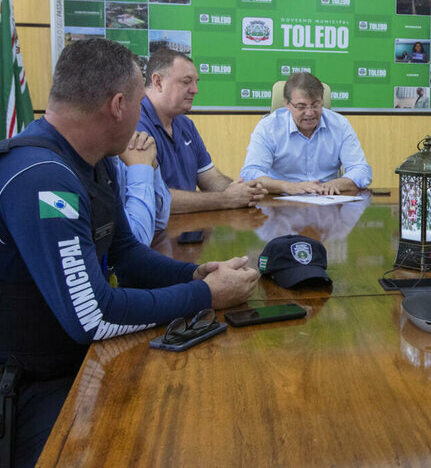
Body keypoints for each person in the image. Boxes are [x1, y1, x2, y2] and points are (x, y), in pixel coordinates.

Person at [0, 39, 260, 466]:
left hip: (79, 362)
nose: (144, 114)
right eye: (142, 100)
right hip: (34, 385)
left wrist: (196, 274)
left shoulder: (92, 161)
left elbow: (128, 255)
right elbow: (92, 317)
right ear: (119, 105)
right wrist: (207, 296)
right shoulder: (44, 180)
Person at [137, 48, 266, 213]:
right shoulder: (136, 125)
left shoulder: (185, 124)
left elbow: (209, 177)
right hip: (154, 235)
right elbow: (154, 198)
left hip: (188, 229)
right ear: (158, 82)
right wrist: (226, 199)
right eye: (186, 81)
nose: (195, 90)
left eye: (196, 82)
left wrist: (243, 190)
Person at [240, 72, 373, 195]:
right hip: (280, 205)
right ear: (287, 104)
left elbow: (362, 170)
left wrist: (335, 184)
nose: (309, 113)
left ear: (322, 100)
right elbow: (250, 173)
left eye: (315, 105)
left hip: (326, 202)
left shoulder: (340, 124)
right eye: (301, 107)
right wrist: (287, 186)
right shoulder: (269, 127)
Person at [113, 131, 171, 245]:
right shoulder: (95, 157)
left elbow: (159, 221)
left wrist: (152, 165)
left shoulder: (125, 147)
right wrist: (141, 167)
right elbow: (135, 241)